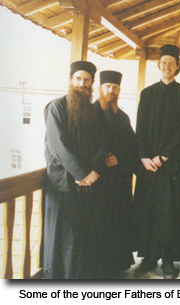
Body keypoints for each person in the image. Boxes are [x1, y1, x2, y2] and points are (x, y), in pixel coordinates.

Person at [133, 44, 180, 279]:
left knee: (169, 214)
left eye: (171, 63)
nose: (167, 66)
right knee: (148, 212)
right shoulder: (147, 94)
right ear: (158, 65)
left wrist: (163, 156)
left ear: (177, 67)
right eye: (163, 62)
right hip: (149, 167)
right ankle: (148, 258)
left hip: (171, 167)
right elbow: (141, 129)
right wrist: (145, 158)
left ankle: (168, 260)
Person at [43, 61, 107, 279]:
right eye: (78, 78)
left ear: (91, 83)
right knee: (62, 241)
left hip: (86, 187)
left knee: (81, 242)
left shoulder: (93, 110)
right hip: (63, 187)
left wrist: (93, 171)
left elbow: (102, 143)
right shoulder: (57, 106)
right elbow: (58, 145)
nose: (82, 83)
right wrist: (82, 174)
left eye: (87, 80)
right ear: (71, 80)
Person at [93, 70, 136, 278]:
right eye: (108, 86)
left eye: (115, 87)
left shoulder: (123, 116)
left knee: (118, 221)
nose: (111, 90)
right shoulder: (90, 112)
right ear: (100, 88)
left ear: (119, 90)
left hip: (119, 180)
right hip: (97, 181)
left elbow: (132, 146)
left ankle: (117, 265)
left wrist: (120, 157)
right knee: (99, 223)